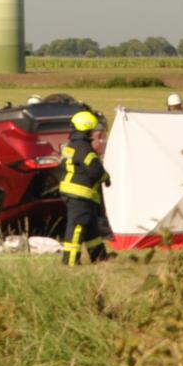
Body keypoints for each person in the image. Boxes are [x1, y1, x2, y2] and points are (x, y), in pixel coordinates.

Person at [57, 111, 111, 266]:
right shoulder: (85, 149)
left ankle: (99, 256)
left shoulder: (71, 146)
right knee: (77, 226)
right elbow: (96, 171)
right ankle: (71, 260)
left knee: (91, 226)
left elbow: (61, 167)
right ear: (87, 129)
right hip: (80, 193)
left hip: (71, 190)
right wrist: (106, 178)